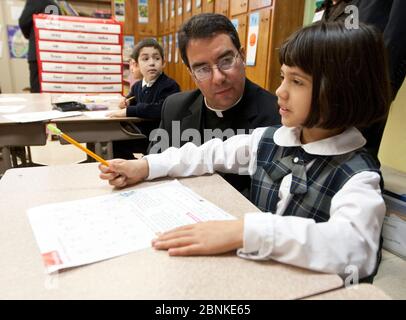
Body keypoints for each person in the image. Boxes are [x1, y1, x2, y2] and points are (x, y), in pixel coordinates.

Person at [99, 22, 391, 281]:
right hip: (256, 276)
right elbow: (206, 153)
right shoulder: (269, 139)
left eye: (297, 82)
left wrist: (243, 232)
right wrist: (145, 166)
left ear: (342, 91)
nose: (280, 91)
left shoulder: (358, 175)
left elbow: (356, 250)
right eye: (283, 77)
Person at [149, 13, 280, 192]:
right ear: (192, 74)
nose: (218, 78)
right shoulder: (174, 108)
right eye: (203, 69)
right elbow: (154, 170)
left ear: (241, 56)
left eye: (226, 61)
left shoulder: (276, 116)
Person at [316, 0, 406, 158]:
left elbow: (398, 29)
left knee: (358, 147)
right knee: (332, 147)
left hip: (371, 74)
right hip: (336, 76)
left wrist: (383, 76)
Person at [109, 38, 180, 159]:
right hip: (142, 134)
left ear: (163, 63)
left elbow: (160, 109)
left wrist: (128, 111)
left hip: (162, 137)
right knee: (114, 141)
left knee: (117, 142)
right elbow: (133, 99)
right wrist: (126, 102)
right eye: (145, 59)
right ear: (136, 65)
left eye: (157, 58)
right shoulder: (137, 86)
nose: (152, 63)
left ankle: (140, 166)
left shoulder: (170, 85)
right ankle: (133, 166)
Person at [19, 0, 61, 93]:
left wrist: (29, 35)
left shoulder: (36, 1)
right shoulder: (54, 5)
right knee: (55, 88)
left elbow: (23, 22)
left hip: (38, 52)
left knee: (38, 91)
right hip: (55, 52)